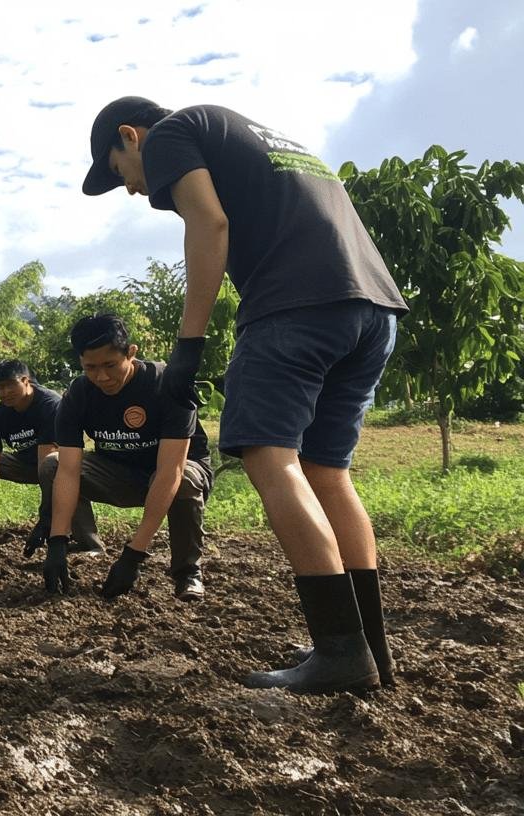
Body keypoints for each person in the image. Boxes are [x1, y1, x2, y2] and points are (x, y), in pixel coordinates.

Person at [82, 97, 408, 693]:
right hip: (372, 309)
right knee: (327, 471)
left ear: (132, 136)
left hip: (296, 305)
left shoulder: (175, 131)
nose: (129, 189)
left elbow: (210, 224)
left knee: (269, 458)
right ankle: (370, 650)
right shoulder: (257, 134)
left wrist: (189, 345)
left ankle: (340, 651)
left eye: (119, 170)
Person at [39, 314, 213, 599]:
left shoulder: (167, 383)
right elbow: (69, 470)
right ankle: (83, 541)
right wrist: (57, 540)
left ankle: (188, 572)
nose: (102, 377)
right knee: (53, 464)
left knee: (183, 479)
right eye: (90, 368)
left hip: (175, 472)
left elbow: (171, 471)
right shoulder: (79, 394)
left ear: (131, 353)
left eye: (110, 365)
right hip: (119, 472)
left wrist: (133, 556)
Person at [0, 360, 102, 553]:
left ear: (25, 381)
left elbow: (46, 459)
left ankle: (87, 541)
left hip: (56, 464)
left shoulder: (49, 404)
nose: (4, 392)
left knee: (56, 469)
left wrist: (45, 519)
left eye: (9, 385)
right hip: (25, 464)